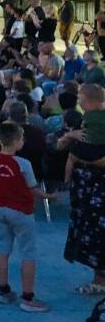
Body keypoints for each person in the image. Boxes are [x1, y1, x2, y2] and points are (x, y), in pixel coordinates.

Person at [0, 122, 56, 312]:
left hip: (0, 209)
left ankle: (3, 290)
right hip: (21, 211)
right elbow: (32, 189)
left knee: (2, 249)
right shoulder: (23, 164)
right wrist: (49, 196)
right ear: (17, 141)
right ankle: (27, 297)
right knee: (28, 252)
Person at [58, 82, 105, 294]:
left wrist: (85, 160)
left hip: (98, 186)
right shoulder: (82, 121)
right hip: (84, 186)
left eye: (81, 97)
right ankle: (98, 278)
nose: (78, 101)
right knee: (90, 230)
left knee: (98, 232)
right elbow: (58, 145)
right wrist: (70, 136)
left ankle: (99, 281)